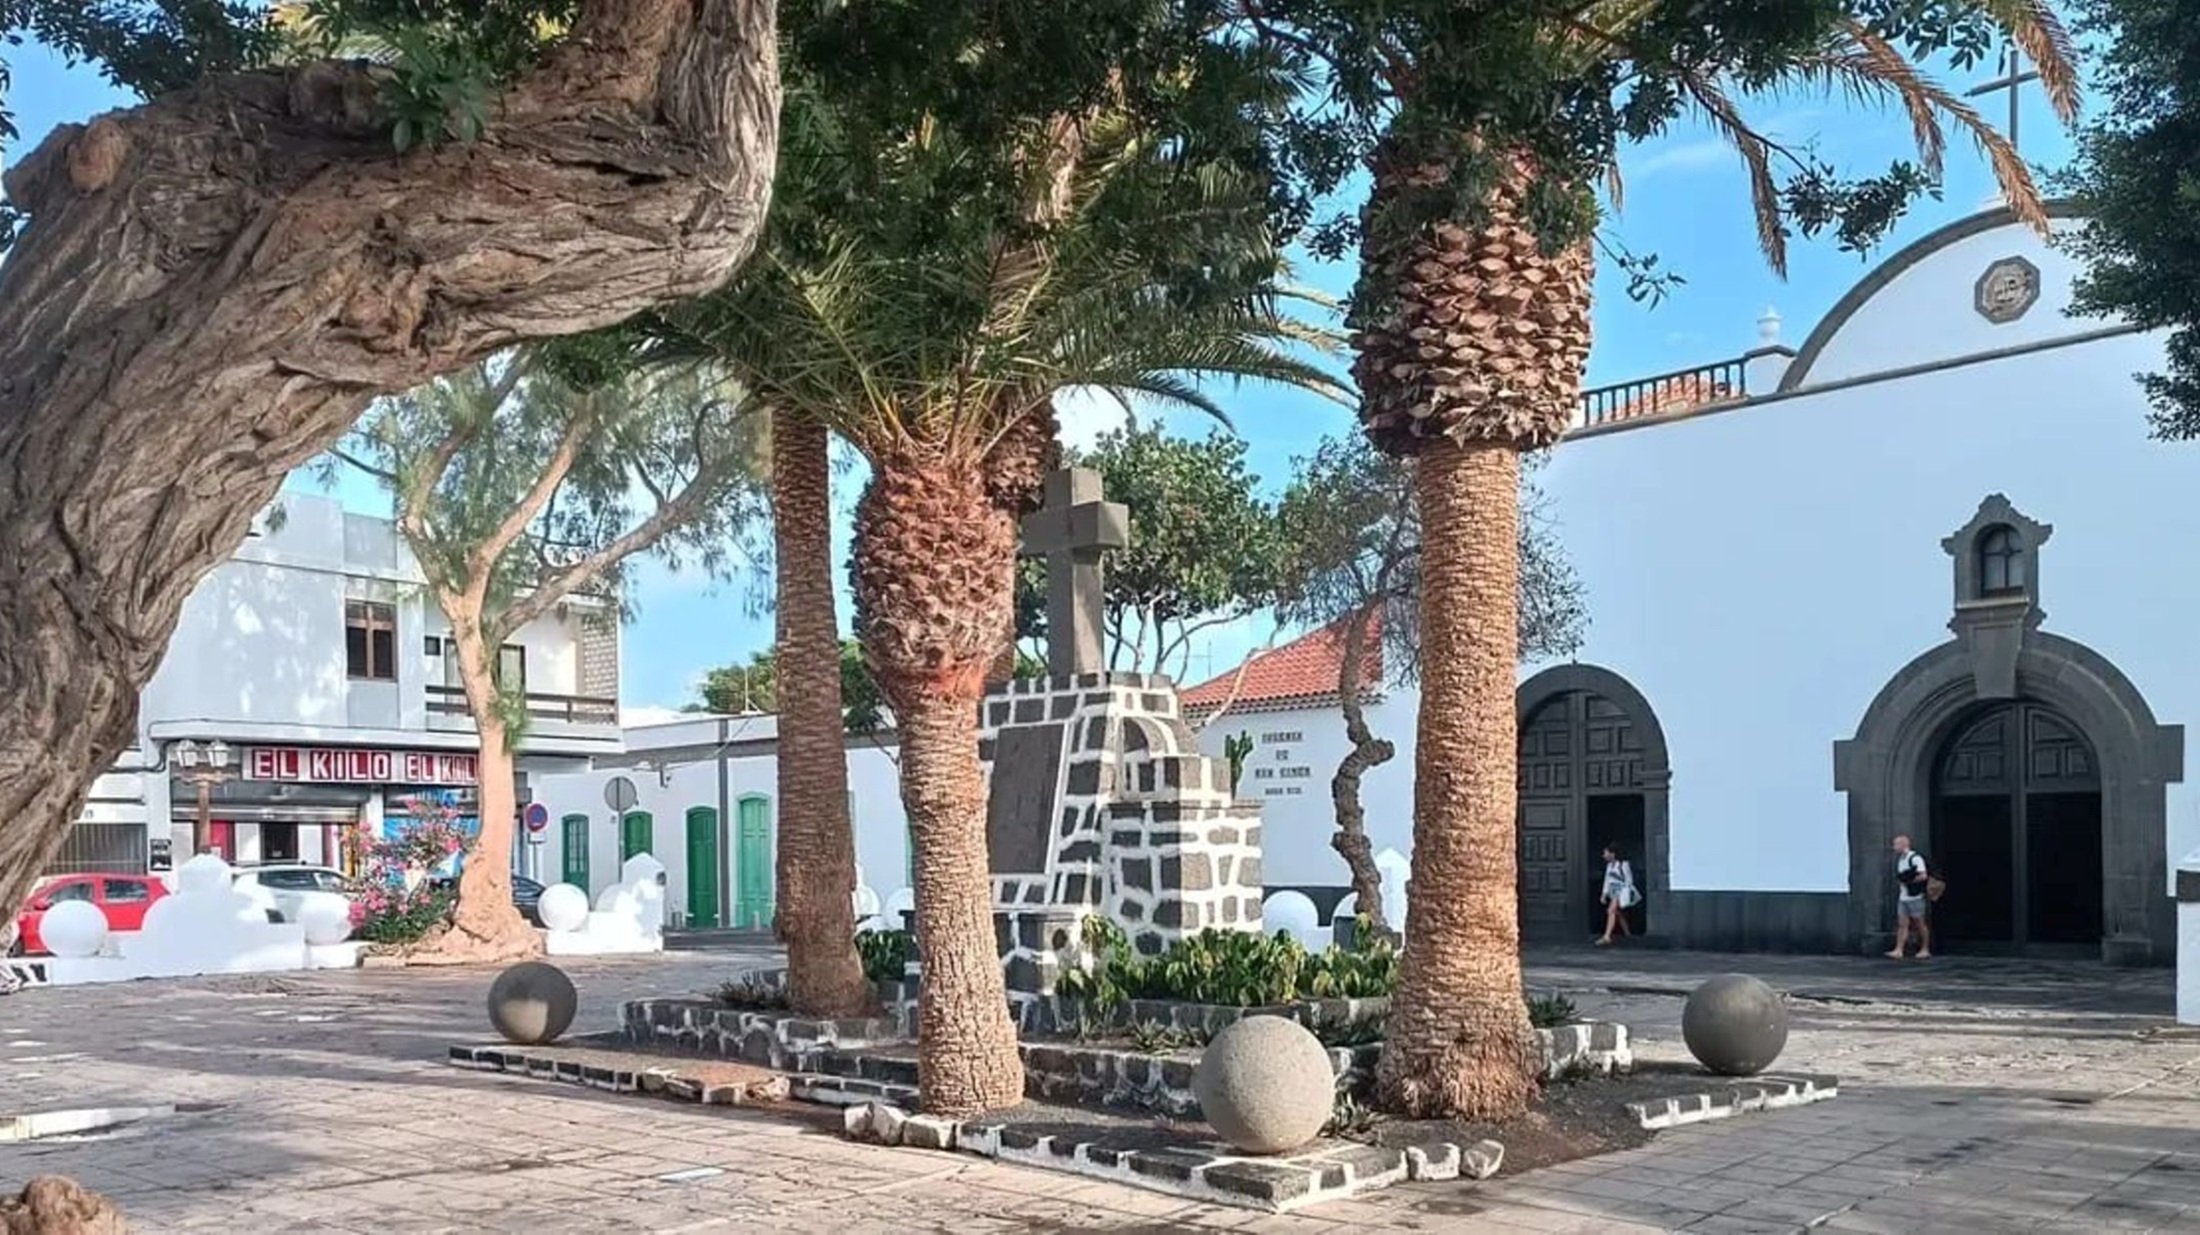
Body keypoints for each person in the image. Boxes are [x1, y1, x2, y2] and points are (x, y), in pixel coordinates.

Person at [1888, 834, 1933, 960]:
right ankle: (1899, 949)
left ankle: (1925, 949)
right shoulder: (1901, 859)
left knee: (1919, 923)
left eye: (1896, 844)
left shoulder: (1915, 858)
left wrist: (1908, 881)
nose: (1894, 847)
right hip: (1904, 896)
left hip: (1915, 896)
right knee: (1902, 923)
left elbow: (1923, 875)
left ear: (1904, 845)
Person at [1596, 843, 1639, 946]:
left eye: (1605, 853)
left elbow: (1629, 880)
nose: (1604, 855)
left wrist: (1625, 893)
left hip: (1621, 891)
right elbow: (1607, 881)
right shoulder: (1609, 866)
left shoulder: (1623, 864)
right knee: (1618, 912)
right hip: (1613, 891)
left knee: (1610, 910)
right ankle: (1627, 933)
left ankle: (1607, 936)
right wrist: (1604, 894)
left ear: (1613, 854)